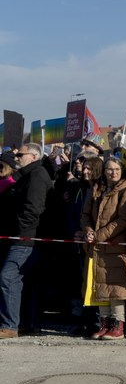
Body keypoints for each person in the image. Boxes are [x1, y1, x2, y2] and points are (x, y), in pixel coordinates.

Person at [77, 157, 126, 340]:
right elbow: (85, 215)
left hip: (114, 245)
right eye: (109, 169)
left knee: (116, 287)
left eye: (116, 169)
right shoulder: (97, 189)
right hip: (95, 246)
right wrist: (88, 230)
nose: (113, 172)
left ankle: (118, 325)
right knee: (98, 284)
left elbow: (123, 220)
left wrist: (100, 235)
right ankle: (105, 325)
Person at [0, 144, 51, 338]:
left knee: (8, 276)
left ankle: (10, 325)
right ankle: (25, 322)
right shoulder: (27, 175)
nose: (17, 157)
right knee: (25, 282)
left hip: (25, 238)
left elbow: (33, 208)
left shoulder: (37, 175)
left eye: (20, 154)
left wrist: (20, 231)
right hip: (20, 236)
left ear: (33, 156)